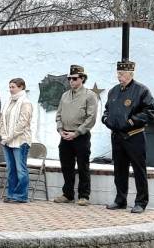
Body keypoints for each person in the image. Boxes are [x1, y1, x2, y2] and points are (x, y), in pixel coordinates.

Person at [102, 60, 154, 214]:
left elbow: (150, 111)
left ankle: (141, 202)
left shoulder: (141, 90)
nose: (119, 76)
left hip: (134, 136)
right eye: (118, 73)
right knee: (119, 169)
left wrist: (132, 121)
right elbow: (107, 110)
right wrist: (106, 119)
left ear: (131, 74)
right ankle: (120, 200)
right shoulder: (113, 91)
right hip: (117, 136)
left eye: (122, 74)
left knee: (139, 170)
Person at [54, 65, 98, 206]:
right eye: (69, 78)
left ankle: (84, 195)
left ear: (82, 79)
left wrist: (77, 132)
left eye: (74, 78)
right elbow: (59, 114)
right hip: (65, 134)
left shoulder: (90, 95)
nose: (71, 81)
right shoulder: (64, 95)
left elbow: (91, 118)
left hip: (80, 136)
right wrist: (60, 129)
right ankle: (68, 194)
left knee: (83, 166)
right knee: (66, 166)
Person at [0, 78, 33, 203]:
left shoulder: (25, 102)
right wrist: (3, 135)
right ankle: (12, 194)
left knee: (20, 169)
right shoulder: (8, 102)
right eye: (10, 87)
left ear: (21, 87)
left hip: (20, 141)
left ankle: (21, 196)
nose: (11, 89)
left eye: (13, 87)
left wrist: (10, 137)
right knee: (11, 169)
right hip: (7, 141)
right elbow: (2, 120)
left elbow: (22, 123)